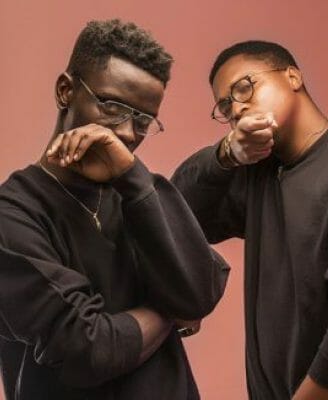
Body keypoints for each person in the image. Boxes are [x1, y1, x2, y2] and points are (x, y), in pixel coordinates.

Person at [0, 19, 229, 400]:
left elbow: (202, 291)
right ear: (66, 91)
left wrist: (132, 177)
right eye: (111, 106)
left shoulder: (140, 190)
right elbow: (88, 349)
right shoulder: (13, 214)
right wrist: (168, 310)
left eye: (143, 120)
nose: (125, 132)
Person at [171, 41, 328, 399]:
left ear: (293, 77)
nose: (237, 108)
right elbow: (177, 217)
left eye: (244, 87)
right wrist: (225, 154)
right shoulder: (257, 175)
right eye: (225, 106)